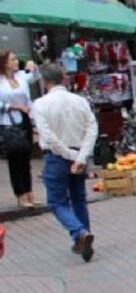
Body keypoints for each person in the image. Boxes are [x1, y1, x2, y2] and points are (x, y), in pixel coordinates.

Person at [30, 64, 97, 261]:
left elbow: (48, 137)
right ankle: (82, 237)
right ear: (63, 79)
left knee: (57, 202)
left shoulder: (41, 104)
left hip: (57, 156)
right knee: (79, 198)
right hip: (78, 152)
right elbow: (92, 128)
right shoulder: (80, 101)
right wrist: (81, 156)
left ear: (45, 81)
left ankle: (79, 232)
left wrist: (69, 155)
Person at [0, 50, 35, 208]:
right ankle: (20, 194)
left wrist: (32, 66)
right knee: (15, 158)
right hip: (8, 122)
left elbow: (34, 76)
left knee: (26, 157)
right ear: (5, 63)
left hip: (24, 120)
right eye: (13, 59)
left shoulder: (21, 76)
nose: (16, 62)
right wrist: (14, 107)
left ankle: (29, 192)